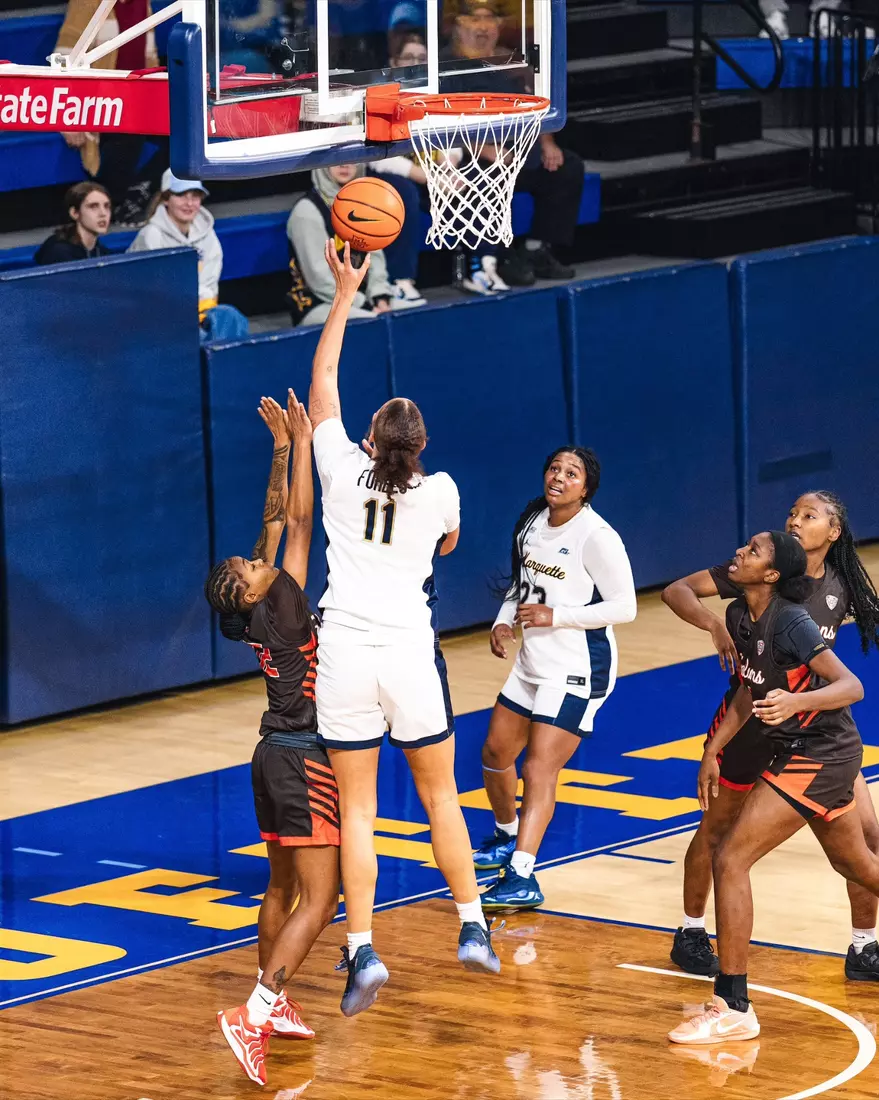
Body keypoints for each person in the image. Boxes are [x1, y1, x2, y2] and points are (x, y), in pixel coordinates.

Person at [308, 241, 500, 1017]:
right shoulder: (441, 491)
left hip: (346, 651)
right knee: (441, 799)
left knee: (357, 812)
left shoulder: (335, 465)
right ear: (420, 450)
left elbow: (323, 385)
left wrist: (346, 292)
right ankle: (472, 927)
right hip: (409, 655)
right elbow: (447, 546)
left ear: (366, 443)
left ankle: (361, 949)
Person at [668, 530, 877, 1044]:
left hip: (823, 753)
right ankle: (733, 1002)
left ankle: (733, 1005)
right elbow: (747, 690)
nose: (739, 551)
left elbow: (852, 685)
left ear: (772, 575)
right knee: (855, 865)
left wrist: (794, 703)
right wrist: (713, 750)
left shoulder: (792, 621)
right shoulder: (741, 615)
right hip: (804, 751)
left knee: (732, 857)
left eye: (754, 550)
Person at [205, 391, 340, 1087]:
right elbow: (298, 518)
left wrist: (283, 448)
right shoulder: (283, 607)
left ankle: (273, 997)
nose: (261, 562)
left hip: (269, 755)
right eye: (252, 568)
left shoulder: (249, 613)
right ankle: (254, 1011)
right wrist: (308, 442)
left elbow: (267, 521)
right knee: (322, 898)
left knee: (282, 885)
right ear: (255, 593)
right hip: (300, 758)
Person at [473, 448, 637, 909]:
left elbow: (626, 607)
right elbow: (520, 587)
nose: (559, 477)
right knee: (495, 751)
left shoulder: (597, 536)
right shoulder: (532, 522)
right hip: (532, 662)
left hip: (577, 667)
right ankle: (507, 838)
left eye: (572, 473)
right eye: (553, 469)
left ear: (586, 488)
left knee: (539, 767)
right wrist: (503, 622)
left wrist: (557, 615)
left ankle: (523, 875)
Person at [440, 0, 584, 287]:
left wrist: (547, 141)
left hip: (521, 151)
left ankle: (535, 250)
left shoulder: (514, 61)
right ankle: (496, 257)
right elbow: (443, 121)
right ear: (458, 25)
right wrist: (484, 149)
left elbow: (537, 104)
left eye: (489, 20)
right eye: (474, 20)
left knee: (567, 167)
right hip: (476, 157)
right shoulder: (447, 66)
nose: (483, 27)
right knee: (486, 176)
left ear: (499, 27)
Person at [54, 0, 168, 227]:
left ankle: (140, 189)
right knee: (129, 129)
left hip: (136, 95)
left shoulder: (142, 3)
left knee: (188, 127)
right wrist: (67, 116)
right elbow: (63, 57)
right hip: (98, 101)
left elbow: (149, 56)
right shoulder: (88, 3)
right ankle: (113, 203)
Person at [287, 164, 425, 324]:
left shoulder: (363, 203)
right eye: (336, 160)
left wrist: (380, 296)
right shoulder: (307, 212)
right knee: (373, 322)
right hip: (318, 303)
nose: (344, 165)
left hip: (362, 298)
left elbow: (375, 258)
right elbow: (320, 280)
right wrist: (365, 305)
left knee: (418, 312)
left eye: (351, 159)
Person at [128, 170, 249, 342]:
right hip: (156, 317)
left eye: (195, 196)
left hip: (197, 309)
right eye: (181, 195)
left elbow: (209, 285)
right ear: (165, 199)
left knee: (230, 317)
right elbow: (157, 290)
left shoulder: (207, 234)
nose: (189, 203)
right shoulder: (151, 235)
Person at [34, 183, 112, 265]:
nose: (103, 213)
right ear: (74, 213)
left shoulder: (104, 253)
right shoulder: (59, 253)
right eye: (93, 206)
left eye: (107, 206)